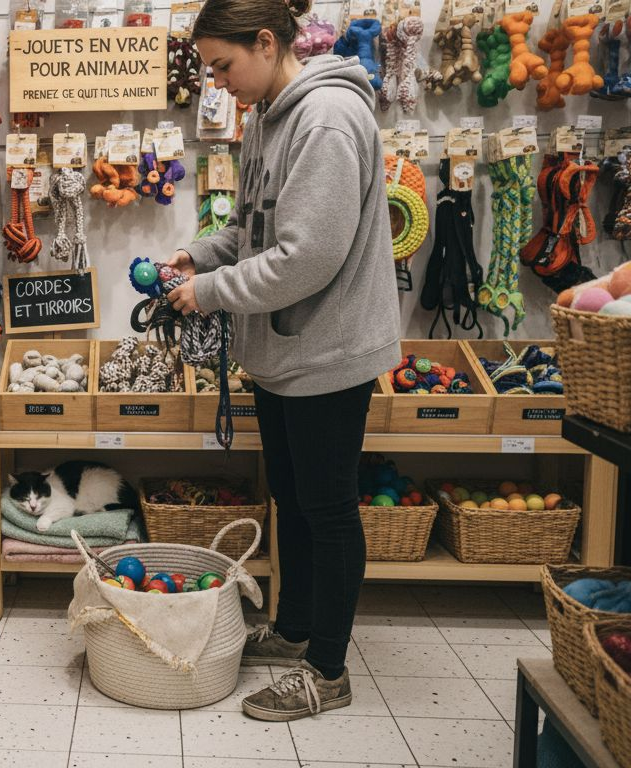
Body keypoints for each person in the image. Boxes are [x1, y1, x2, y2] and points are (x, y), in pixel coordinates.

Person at [166, 0, 401, 723]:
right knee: (294, 503)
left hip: (328, 350)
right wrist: (198, 255)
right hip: (286, 351)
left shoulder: (325, 120)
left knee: (328, 510)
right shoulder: (267, 113)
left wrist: (208, 292)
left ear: (266, 43)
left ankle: (327, 671)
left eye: (223, 65)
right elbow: (251, 226)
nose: (217, 81)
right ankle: (296, 629)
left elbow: (309, 257)